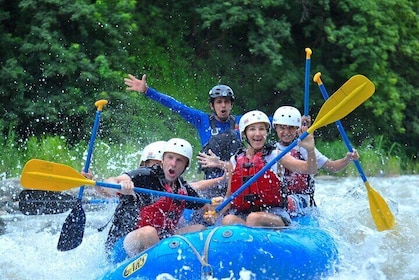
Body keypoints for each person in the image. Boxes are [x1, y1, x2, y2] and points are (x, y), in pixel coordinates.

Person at [104, 138, 220, 263]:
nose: (173, 164)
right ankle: (162, 264)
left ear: (185, 166)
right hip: (124, 244)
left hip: (159, 240)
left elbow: (206, 208)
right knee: (149, 233)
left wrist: (211, 212)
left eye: (179, 160)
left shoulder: (182, 189)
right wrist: (121, 187)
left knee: (198, 228)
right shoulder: (146, 176)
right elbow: (109, 183)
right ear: (163, 159)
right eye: (170, 158)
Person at [200, 110, 317, 227]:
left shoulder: (276, 155)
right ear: (244, 134)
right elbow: (230, 197)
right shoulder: (234, 161)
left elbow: (310, 169)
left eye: (261, 129)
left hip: (275, 214)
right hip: (245, 214)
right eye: (252, 129)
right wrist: (216, 212)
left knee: (253, 218)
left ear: (267, 132)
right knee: (228, 220)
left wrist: (310, 150)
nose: (257, 133)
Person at [124, 74, 240, 189]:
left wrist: (220, 163)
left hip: (237, 179)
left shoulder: (242, 122)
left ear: (231, 105)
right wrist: (147, 91)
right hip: (212, 183)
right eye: (219, 102)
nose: (223, 105)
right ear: (212, 106)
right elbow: (175, 105)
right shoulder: (202, 120)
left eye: (227, 102)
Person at [272, 106, 359, 213]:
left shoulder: (304, 148)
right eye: (282, 127)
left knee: (286, 203)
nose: (286, 131)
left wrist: (347, 159)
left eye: (291, 127)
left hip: (302, 198)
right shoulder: (271, 150)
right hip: (279, 197)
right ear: (275, 127)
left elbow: (333, 167)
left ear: (297, 129)